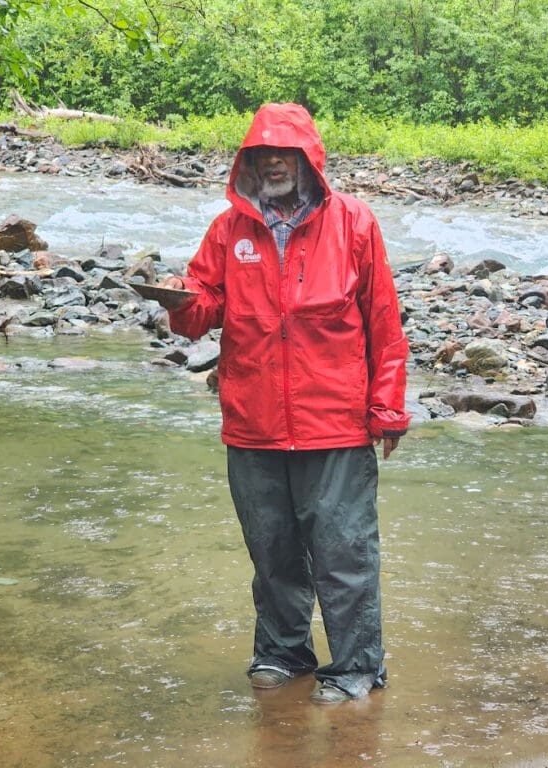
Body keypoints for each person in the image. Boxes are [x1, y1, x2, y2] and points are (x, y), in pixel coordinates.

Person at [159, 102, 410, 704]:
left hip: (336, 427)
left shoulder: (353, 223)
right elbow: (201, 312)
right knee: (271, 553)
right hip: (253, 425)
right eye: (262, 155)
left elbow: (383, 321)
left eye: (284, 155)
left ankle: (356, 667)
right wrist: (175, 300)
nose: (273, 164)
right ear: (247, 163)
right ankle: (282, 652)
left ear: (307, 161)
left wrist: (388, 408)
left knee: (343, 554)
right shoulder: (227, 231)